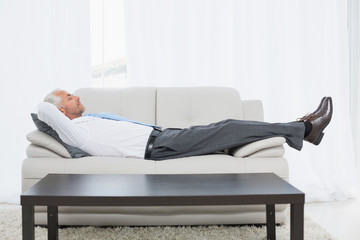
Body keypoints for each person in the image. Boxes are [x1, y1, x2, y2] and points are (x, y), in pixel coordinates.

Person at [37, 89, 333, 160]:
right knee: (229, 127)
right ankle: (305, 128)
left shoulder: (87, 120)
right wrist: (52, 107)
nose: (76, 97)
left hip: (166, 136)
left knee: (230, 131)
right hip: (160, 147)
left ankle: (304, 129)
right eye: (69, 98)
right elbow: (43, 109)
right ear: (61, 111)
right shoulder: (74, 131)